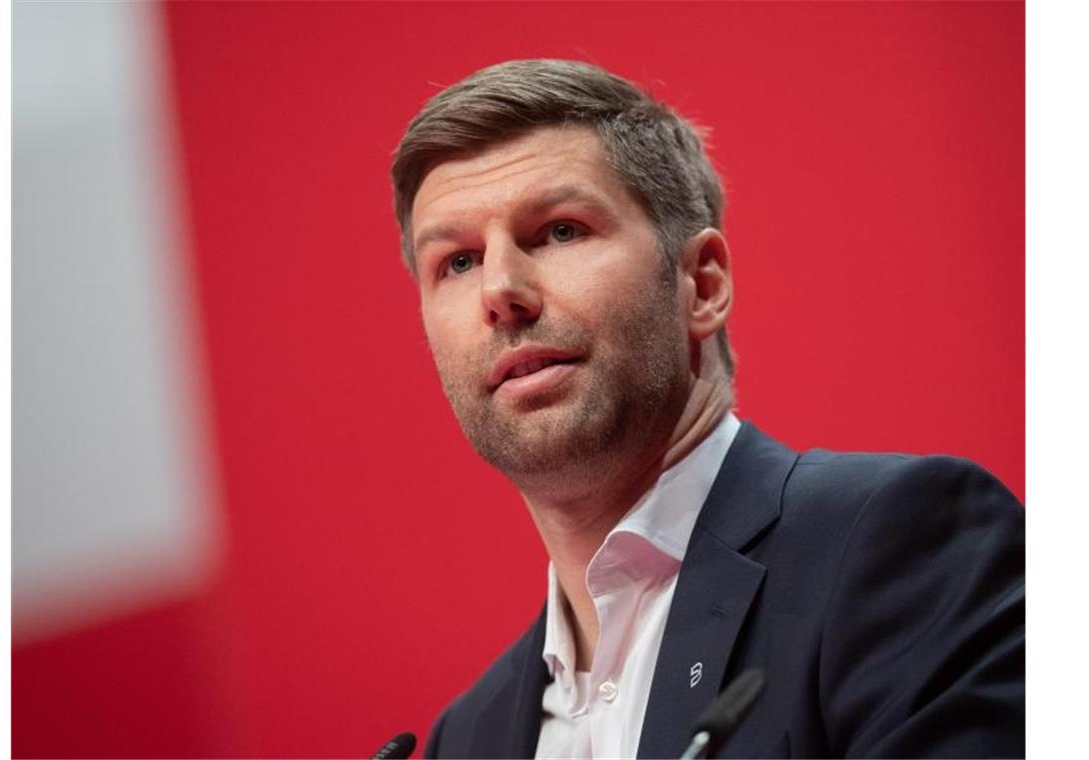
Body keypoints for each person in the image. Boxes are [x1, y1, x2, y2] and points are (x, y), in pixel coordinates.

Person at [390, 59, 1024, 758]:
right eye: (457, 261)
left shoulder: (900, 549)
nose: (501, 290)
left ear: (702, 283)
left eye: (561, 231)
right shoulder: (467, 737)